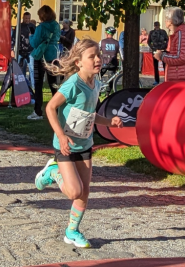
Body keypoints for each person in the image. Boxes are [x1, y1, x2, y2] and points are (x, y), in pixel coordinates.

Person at [34, 39, 122, 248]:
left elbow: (90, 113)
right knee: (74, 191)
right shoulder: (73, 84)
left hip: (85, 145)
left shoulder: (96, 83)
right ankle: (52, 171)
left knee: (84, 192)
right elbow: (50, 108)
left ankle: (72, 231)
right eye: (92, 56)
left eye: (99, 55)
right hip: (66, 146)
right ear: (78, 62)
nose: (98, 59)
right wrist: (61, 136)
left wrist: (109, 122)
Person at [28, 5, 61, 120]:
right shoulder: (56, 25)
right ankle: (57, 110)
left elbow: (34, 43)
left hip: (41, 56)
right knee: (53, 85)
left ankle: (38, 111)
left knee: (38, 84)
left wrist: (31, 36)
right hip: (53, 56)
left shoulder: (41, 27)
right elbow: (57, 38)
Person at [153, 8, 185, 81]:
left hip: (182, 77)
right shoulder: (178, 33)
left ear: (171, 21)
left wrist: (162, 56)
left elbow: (181, 57)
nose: (165, 21)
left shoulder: (180, 34)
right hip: (180, 76)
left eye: (166, 19)